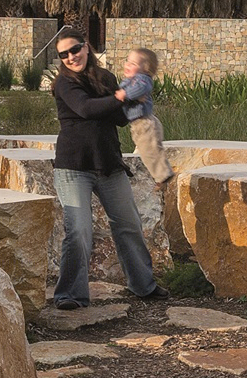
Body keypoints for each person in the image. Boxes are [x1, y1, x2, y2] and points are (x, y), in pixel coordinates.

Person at [50, 25, 161, 308]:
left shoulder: (106, 77)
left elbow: (120, 118)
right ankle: (69, 294)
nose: (71, 57)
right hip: (74, 167)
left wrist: (139, 99)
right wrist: (122, 97)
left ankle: (144, 286)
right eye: (64, 54)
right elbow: (87, 109)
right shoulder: (63, 84)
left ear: (86, 47)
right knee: (79, 231)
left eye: (75, 49)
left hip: (109, 164)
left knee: (129, 225)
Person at [114, 47, 174, 184]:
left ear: (145, 69)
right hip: (138, 124)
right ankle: (158, 177)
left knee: (151, 151)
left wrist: (126, 94)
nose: (128, 65)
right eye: (127, 61)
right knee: (146, 151)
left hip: (145, 123)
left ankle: (164, 176)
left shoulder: (142, 79)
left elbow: (142, 88)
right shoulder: (130, 80)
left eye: (133, 64)